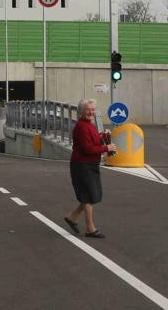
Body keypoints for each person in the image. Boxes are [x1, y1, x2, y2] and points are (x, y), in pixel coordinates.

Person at [64, 99, 117, 238]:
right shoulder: (81, 127)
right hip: (82, 165)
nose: (91, 112)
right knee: (88, 196)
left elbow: (93, 142)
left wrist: (102, 137)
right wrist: (107, 148)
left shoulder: (90, 125)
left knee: (91, 195)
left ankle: (72, 217)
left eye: (93, 109)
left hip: (90, 165)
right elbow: (87, 149)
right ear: (81, 111)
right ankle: (90, 228)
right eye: (88, 109)